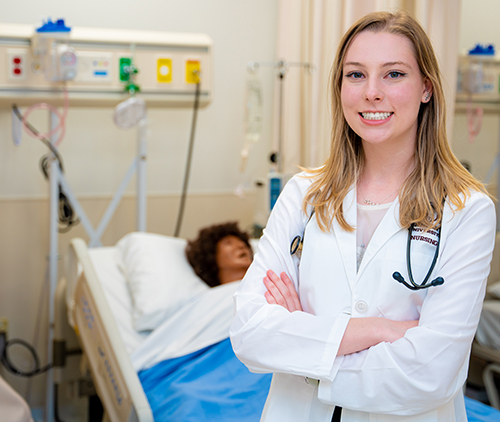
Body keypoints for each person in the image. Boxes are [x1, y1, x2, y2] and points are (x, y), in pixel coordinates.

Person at [229, 10, 496, 422]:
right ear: (340, 88)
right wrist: (379, 330)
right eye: (355, 75)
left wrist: (305, 344)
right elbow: (249, 334)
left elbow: (430, 373)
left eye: (393, 74)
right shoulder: (304, 194)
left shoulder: (466, 210)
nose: (372, 92)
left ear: (426, 88)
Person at [185, 221, 253, 287]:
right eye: (228, 243)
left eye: (242, 242)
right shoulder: (214, 297)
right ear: (211, 256)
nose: (241, 245)